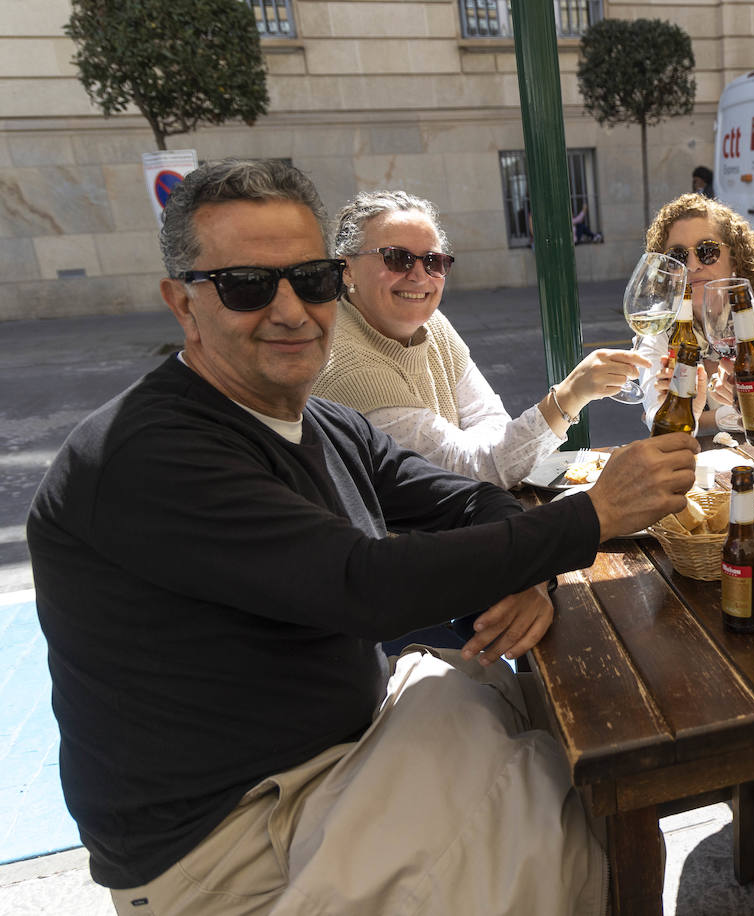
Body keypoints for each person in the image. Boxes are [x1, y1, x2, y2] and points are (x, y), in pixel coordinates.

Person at [26, 158, 700, 916]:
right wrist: (593, 518)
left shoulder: (321, 419)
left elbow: (472, 498)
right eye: (248, 285)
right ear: (183, 304)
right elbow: (365, 584)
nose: (290, 311)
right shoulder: (148, 452)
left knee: (572, 764)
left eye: (309, 280)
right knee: (575, 826)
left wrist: (534, 574)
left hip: (343, 756)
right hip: (235, 840)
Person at [313, 189, 641, 489]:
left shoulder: (431, 323)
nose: (418, 275)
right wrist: (568, 397)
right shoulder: (346, 364)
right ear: (347, 269)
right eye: (396, 258)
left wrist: (486, 453)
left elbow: (488, 419)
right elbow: (473, 469)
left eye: (432, 261)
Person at [640, 193, 754, 435]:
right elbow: (656, 417)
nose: (692, 265)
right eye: (678, 256)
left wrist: (708, 417)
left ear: (736, 259)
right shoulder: (659, 325)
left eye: (707, 251)